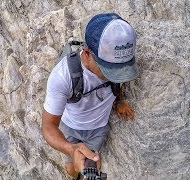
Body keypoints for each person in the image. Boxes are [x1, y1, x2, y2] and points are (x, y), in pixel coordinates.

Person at [41, 12, 139, 179]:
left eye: (122, 69)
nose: (116, 76)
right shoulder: (62, 77)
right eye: (109, 70)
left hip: (98, 128)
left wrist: (119, 102)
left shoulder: (116, 61)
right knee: (72, 169)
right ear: (87, 53)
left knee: (92, 164)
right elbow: (48, 126)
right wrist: (71, 149)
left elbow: (118, 81)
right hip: (70, 127)